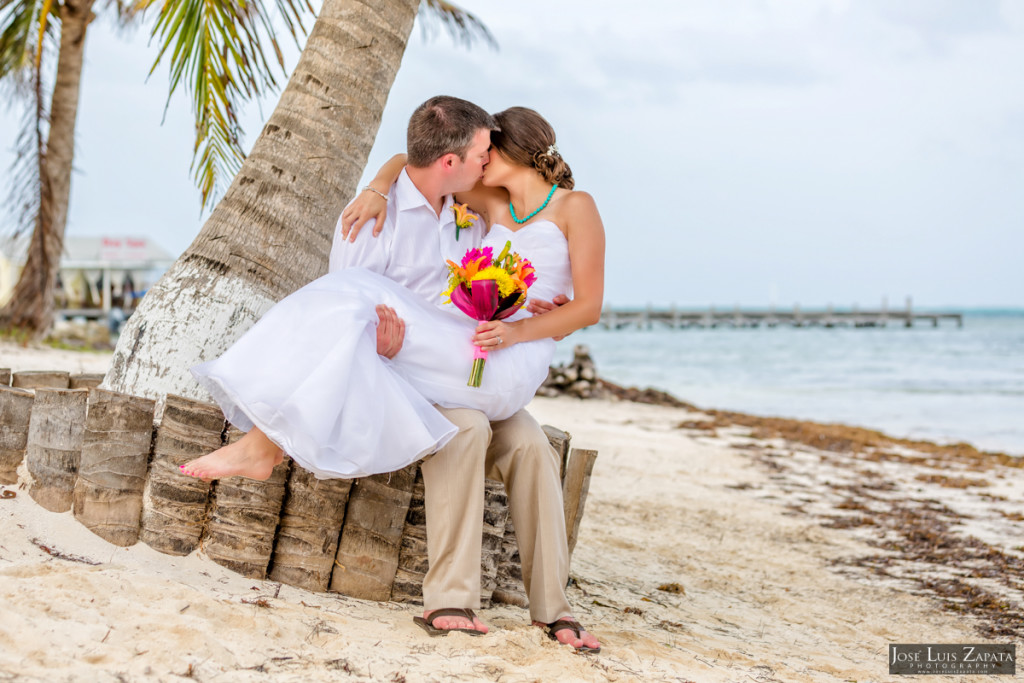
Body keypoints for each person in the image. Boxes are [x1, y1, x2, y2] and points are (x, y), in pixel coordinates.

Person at [180, 96, 604, 652]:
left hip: (498, 355)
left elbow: (587, 306)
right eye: (477, 154)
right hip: (452, 359)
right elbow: (419, 160)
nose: (479, 162)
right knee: (463, 424)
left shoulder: (546, 206)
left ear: (508, 154)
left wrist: (538, 326)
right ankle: (451, 599)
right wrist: (378, 185)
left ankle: (554, 610)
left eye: (486, 151)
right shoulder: (480, 201)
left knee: (529, 444)